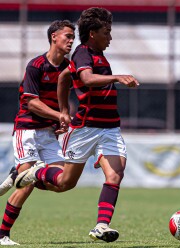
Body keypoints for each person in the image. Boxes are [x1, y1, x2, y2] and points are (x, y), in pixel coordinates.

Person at [15, 7, 139, 243]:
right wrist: (117, 77)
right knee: (64, 183)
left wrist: (63, 109)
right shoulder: (83, 53)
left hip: (109, 128)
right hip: (85, 128)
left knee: (115, 174)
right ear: (92, 33)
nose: (110, 37)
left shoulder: (99, 54)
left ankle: (101, 226)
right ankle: (35, 172)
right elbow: (86, 79)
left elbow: (64, 78)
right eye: (107, 32)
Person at [0, 20, 75, 246]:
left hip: (49, 133)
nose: (71, 41)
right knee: (28, 185)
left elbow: (64, 101)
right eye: (67, 36)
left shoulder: (68, 68)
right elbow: (32, 103)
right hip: (27, 131)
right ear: (54, 37)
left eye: (73, 37)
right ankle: (2, 234)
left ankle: (20, 174)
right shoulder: (36, 66)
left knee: (63, 183)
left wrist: (63, 117)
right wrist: (59, 116)